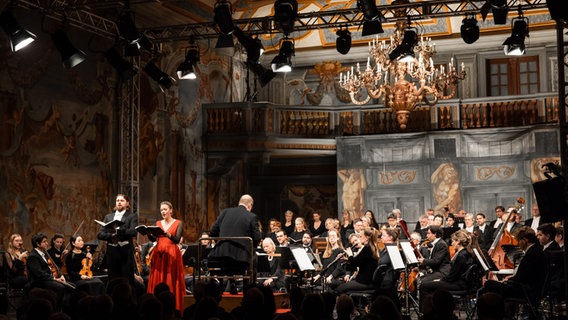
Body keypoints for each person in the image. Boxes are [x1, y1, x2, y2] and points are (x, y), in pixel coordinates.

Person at [482, 226, 547, 314]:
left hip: (526, 291)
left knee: (489, 283)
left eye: (519, 240)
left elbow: (521, 278)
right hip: (529, 288)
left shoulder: (531, 254)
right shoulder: (536, 251)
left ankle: (492, 314)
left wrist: (508, 280)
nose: (517, 244)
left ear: (525, 240)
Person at [208, 194, 261, 289]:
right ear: (250, 205)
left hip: (220, 255)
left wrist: (222, 243)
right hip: (240, 258)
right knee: (254, 257)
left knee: (229, 262)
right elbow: (257, 238)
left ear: (239, 203)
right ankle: (250, 289)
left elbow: (212, 232)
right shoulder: (251, 216)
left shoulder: (224, 212)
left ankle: (230, 283)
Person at [146, 201, 186, 314]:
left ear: (171, 210)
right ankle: (155, 307)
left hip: (172, 253)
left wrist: (168, 234)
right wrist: (148, 233)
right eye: (161, 210)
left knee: (171, 278)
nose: (163, 212)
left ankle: (174, 307)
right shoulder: (158, 223)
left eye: (165, 209)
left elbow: (177, 240)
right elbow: (154, 239)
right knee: (158, 278)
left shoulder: (178, 223)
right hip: (159, 253)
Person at [97, 193, 138, 287]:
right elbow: (100, 234)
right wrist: (111, 236)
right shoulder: (108, 217)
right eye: (117, 200)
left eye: (122, 200)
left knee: (126, 280)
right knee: (113, 279)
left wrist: (118, 231)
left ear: (127, 203)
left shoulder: (132, 216)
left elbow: (133, 232)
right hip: (112, 252)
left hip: (125, 252)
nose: (119, 202)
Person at [420, 229, 475, 294]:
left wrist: (440, 280)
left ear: (458, 242)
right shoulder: (465, 253)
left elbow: (453, 276)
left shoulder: (461, 255)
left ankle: (428, 304)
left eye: (453, 241)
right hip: (461, 283)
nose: (452, 244)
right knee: (430, 284)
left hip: (458, 284)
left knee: (424, 286)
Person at [26, 233, 71, 310]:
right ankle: (56, 309)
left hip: (48, 278)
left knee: (70, 285)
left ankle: (64, 309)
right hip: (39, 281)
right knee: (60, 287)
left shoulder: (45, 253)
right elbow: (39, 274)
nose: (47, 243)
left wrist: (61, 275)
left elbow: (55, 266)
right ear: (38, 244)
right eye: (44, 241)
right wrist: (54, 279)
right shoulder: (33, 256)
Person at [335, 227, 379, 294]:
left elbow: (354, 264)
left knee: (340, 288)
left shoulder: (367, 248)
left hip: (365, 282)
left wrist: (350, 255)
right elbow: (359, 261)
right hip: (367, 281)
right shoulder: (371, 247)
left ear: (367, 238)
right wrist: (347, 260)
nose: (360, 238)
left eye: (361, 236)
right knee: (343, 286)